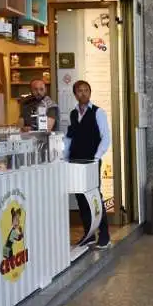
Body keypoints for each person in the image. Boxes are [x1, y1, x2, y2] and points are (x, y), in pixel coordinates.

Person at [63, 80, 112, 249]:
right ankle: (89, 235)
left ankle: (104, 234)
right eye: (79, 91)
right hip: (75, 160)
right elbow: (70, 137)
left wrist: (97, 157)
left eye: (86, 90)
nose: (83, 93)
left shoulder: (98, 112)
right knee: (80, 197)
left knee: (94, 196)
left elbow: (106, 138)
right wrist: (65, 157)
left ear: (90, 93)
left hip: (91, 161)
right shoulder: (73, 114)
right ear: (75, 94)